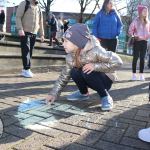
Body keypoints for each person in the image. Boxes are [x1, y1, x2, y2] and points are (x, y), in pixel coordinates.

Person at [46, 23, 123, 111]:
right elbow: (64, 76)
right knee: (74, 71)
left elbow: (118, 62)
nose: (63, 44)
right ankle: (83, 94)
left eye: (66, 41)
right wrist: (53, 93)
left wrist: (95, 66)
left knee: (86, 70)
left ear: (77, 42)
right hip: (89, 77)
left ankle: (105, 96)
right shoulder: (70, 56)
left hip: (105, 80)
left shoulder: (96, 50)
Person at [16, 0, 44, 78]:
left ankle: (26, 69)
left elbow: (40, 22)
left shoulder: (38, 7)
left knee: (30, 51)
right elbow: (18, 16)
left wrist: (42, 34)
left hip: (34, 33)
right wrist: (20, 28)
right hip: (24, 31)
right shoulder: (24, 3)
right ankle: (26, 69)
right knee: (26, 50)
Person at [128, 5, 150, 81]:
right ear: (140, 12)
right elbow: (130, 30)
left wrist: (148, 36)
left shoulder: (148, 21)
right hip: (137, 42)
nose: (146, 12)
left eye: (147, 11)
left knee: (143, 58)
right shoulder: (135, 21)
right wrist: (134, 36)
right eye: (144, 11)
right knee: (135, 58)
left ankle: (141, 74)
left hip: (145, 42)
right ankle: (134, 74)